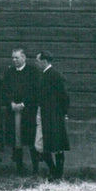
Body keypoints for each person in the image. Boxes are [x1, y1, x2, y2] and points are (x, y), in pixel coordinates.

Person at [3, 46, 41, 175]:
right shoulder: (9, 73)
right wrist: (11, 103)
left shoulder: (33, 72)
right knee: (16, 141)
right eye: (12, 58)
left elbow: (35, 91)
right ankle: (19, 168)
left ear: (24, 58)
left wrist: (24, 103)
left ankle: (35, 168)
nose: (14, 60)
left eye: (17, 57)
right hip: (14, 111)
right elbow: (5, 90)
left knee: (31, 140)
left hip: (28, 111)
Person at [34, 51, 70, 180]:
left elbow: (64, 96)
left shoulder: (55, 75)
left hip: (54, 116)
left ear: (44, 61)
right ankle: (53, 171)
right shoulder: (43, 75)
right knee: (41, 145)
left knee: (56, 145)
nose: (36, 63)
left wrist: (64, 113)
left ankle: (57, 174)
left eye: (37, 61)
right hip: (43, 114)